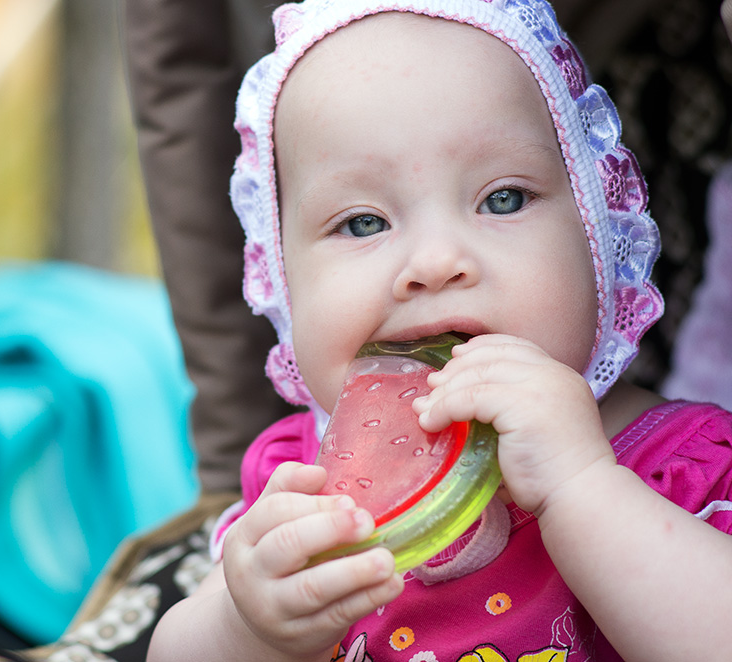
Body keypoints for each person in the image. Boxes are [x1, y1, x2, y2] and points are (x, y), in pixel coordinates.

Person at [146, 1, 732, 661]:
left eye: (502, 199)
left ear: (598, 238)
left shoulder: (685, 471)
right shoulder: (301, 483)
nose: (432, 264)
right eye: (362, 222)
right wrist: (244, 629)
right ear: (283, 281)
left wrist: (581, 486)